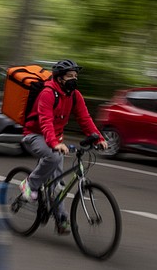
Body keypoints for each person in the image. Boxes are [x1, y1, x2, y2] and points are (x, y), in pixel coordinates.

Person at [19, 59, 109, 234]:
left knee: (58, 185)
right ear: (59, 78)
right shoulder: (47, 93)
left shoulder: (75, 95)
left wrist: (98, 138)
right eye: (70, 76)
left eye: (76, 76)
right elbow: (45, 121)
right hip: (34, 135)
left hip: (55, 138)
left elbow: (85, 119)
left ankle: (61, 219)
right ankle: (29, 184)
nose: (74, 79)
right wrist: (54, 143)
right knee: (53, 156)